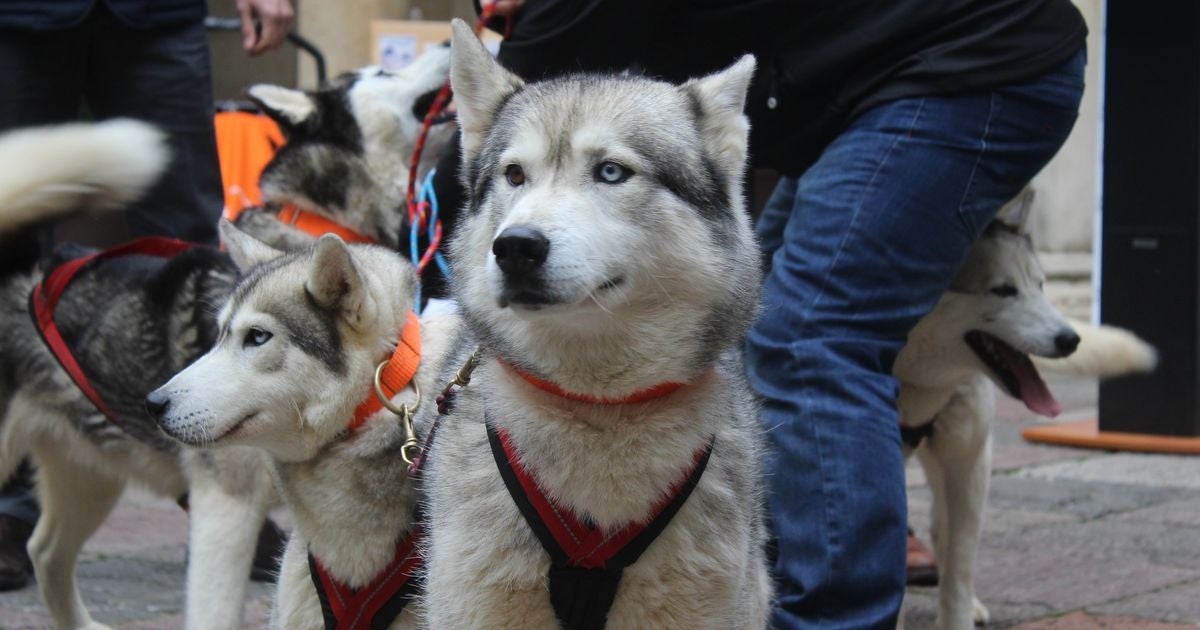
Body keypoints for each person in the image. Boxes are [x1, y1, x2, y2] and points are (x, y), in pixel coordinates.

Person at [436, 1, 1086, 627]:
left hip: (970, 56)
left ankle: (834, 619)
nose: (519, 232)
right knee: (782, 328)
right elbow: (500, 130)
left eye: (609, 172)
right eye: (515, 180)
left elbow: (536, 68)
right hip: (862, 88)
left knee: (808, 336)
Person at [0, 0, 294, 590]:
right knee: (8, 246)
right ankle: (10, 508)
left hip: (155, 14)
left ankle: (221, 488)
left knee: (188, 251)